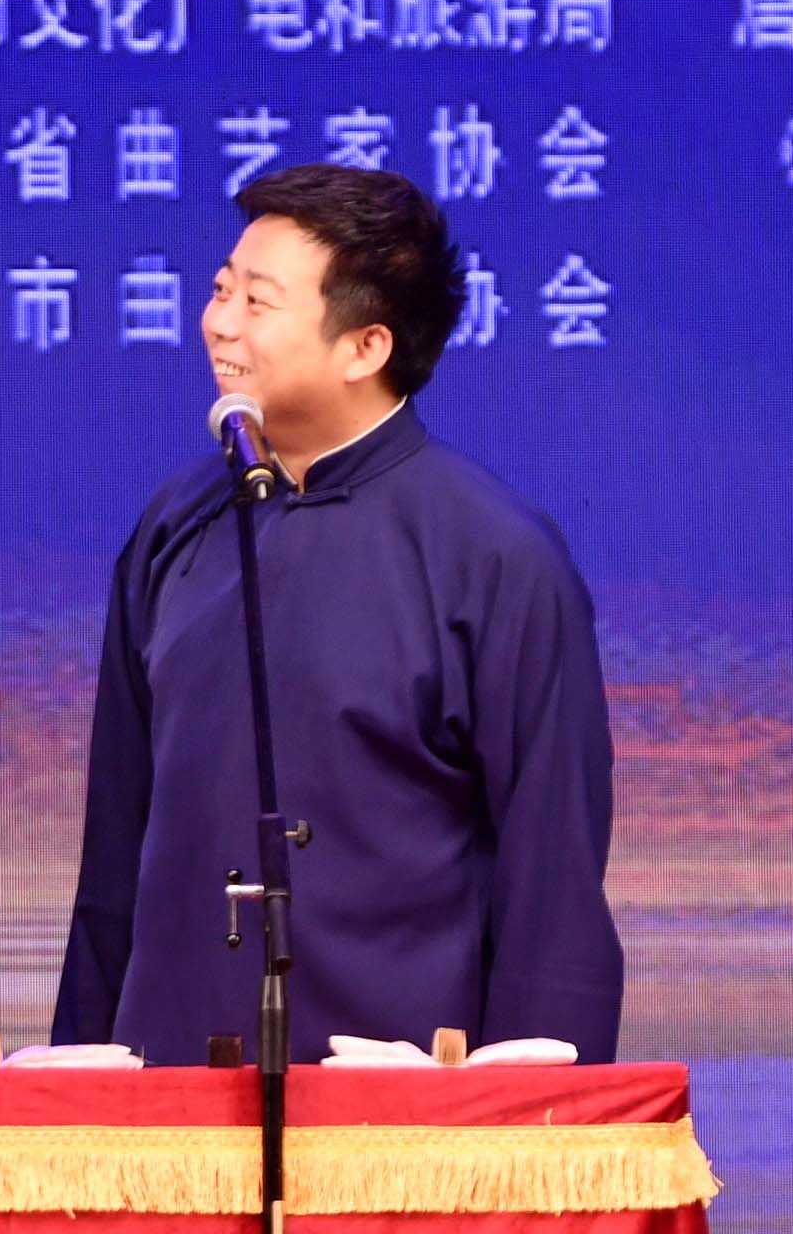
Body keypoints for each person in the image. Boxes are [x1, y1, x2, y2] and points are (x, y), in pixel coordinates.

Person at [52, 159, 621, 1066]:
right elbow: (116, 852)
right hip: (167, 1088)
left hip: (396, 1101)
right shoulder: (175, 525)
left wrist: (528, 1120)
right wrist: (78, 1089)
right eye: (221, 290)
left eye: (257, 301)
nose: (219, 322)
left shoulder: (495, 555)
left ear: (366, 347)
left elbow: (552, 880)